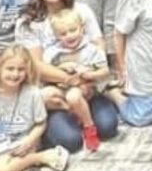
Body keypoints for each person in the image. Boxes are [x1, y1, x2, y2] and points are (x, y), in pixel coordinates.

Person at [15, 0, 119, 151]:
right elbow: (36, 65)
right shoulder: (28, 21)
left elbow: (98, 45)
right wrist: (71, 80)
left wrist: (89, 79)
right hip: (54, 88)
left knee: (108, 128)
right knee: (71, 142)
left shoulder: (82, 10)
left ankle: (86, 117)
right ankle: (60, 119)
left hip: (87, 83)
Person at [42, 8, 111, 151]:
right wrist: (62, 67)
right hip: (62, 87)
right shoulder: (53, 53)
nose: (69, 36)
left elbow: (105, 71)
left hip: (85, 88)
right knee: (43, 95)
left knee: (73, 96)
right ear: (56, 36)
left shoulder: (91, 50)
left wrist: (90, 75)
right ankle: (72, 113)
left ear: (82, 29)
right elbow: (47, 72)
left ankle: (89, 127)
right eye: (63, 34)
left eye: (73, 30)